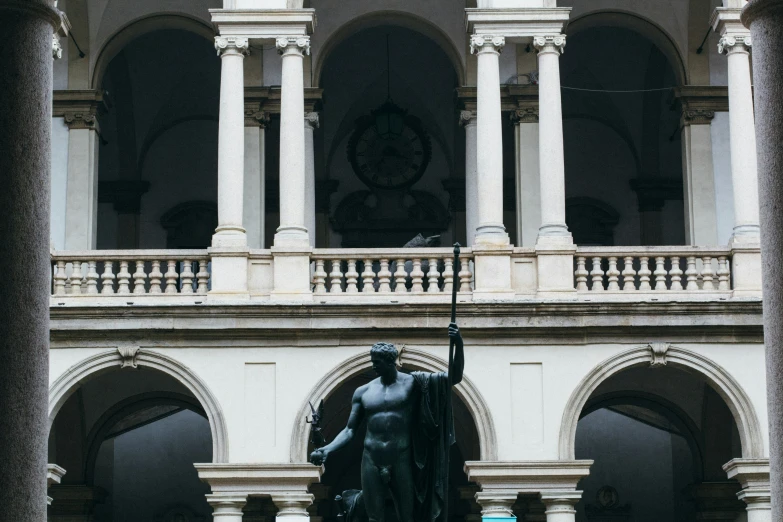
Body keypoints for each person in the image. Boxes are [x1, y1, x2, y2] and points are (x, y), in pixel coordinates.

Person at [310, 324, 464, 522]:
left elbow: (455, 376)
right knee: (374, 517)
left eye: (377, 362)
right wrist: (327, 449)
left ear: (390, 361)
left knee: (407, 517)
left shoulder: (413, 383)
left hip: (401, 458)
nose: (373, 366)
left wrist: (458, 343)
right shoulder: (363, 392)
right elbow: (349, 430)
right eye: (373, 361)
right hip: (371, 458)